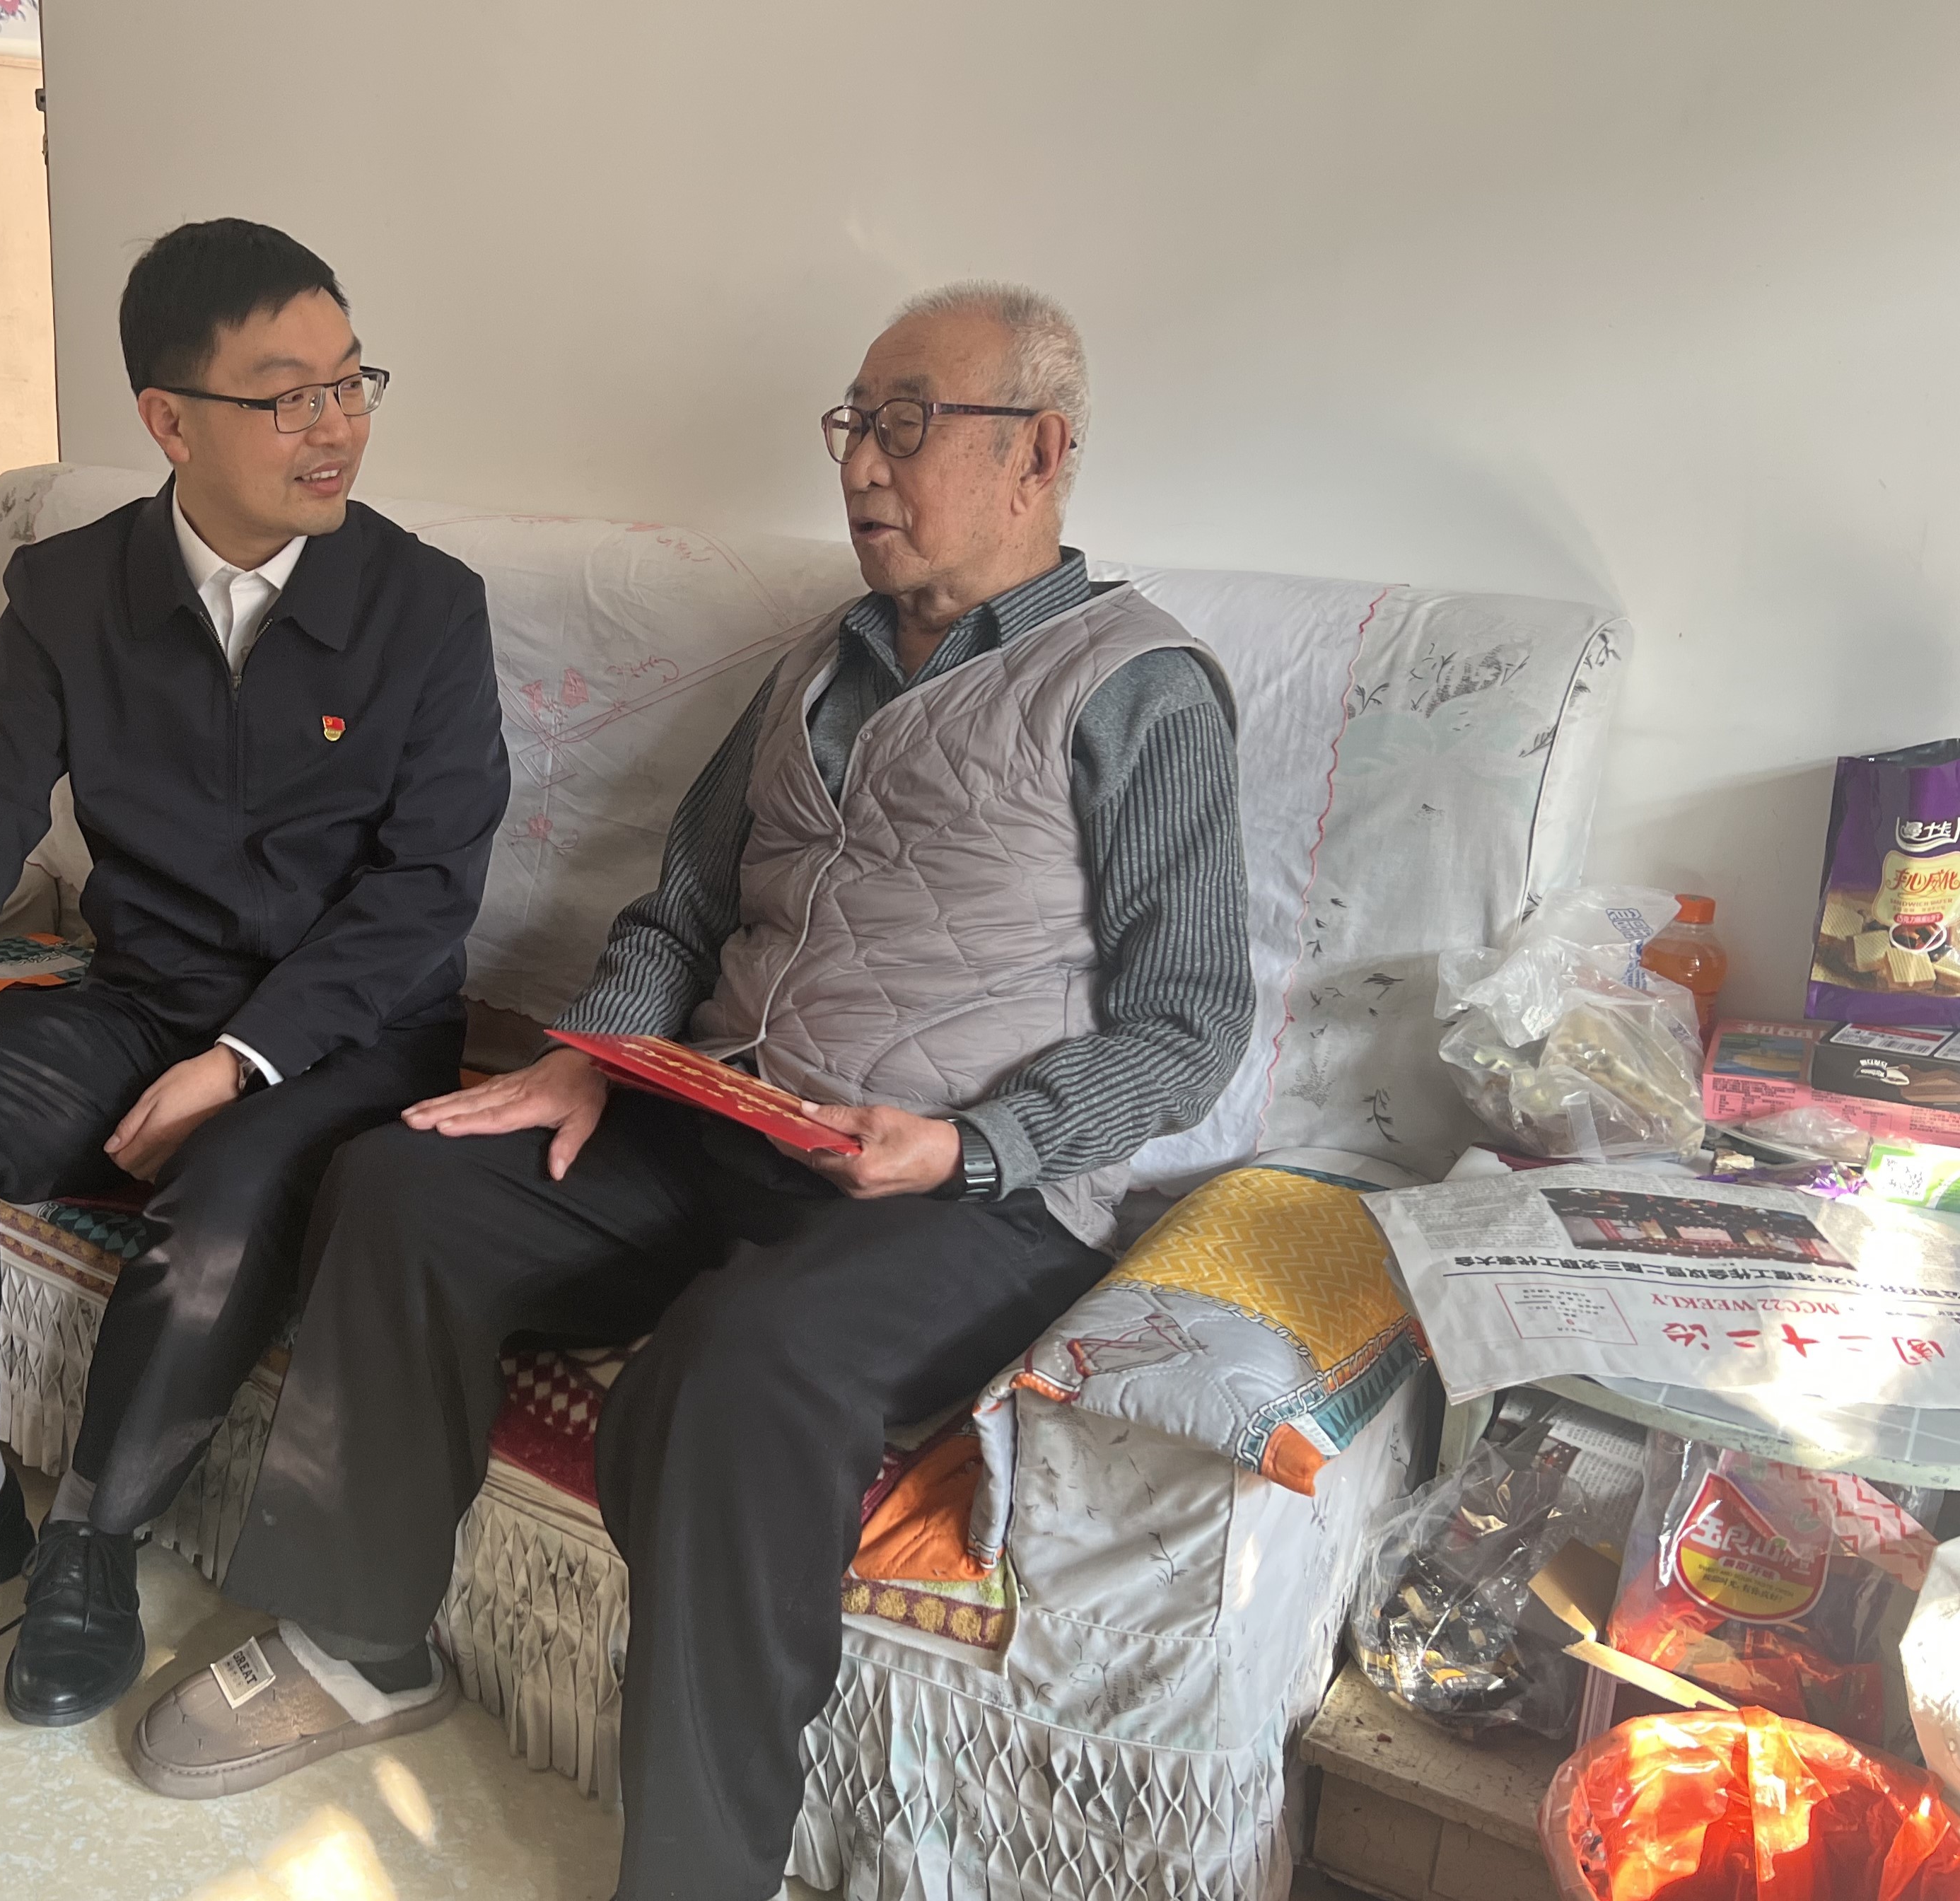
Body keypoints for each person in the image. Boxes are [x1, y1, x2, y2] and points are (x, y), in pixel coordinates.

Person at [124, 284, 1257, 1897]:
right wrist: (590, 1059)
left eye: (909, 424)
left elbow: (1190, 1024)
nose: (861, 464)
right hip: (721, 1118)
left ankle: (701, 1869)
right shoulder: (815, 665)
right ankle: (362, 1643)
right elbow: (679, 912)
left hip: (967, 1200)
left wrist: (975, 1143)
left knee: (741, 1366)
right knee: (403, 1179)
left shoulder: (1139, 688)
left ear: (1042, 451)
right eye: (854, 425)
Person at [0, 219, 510, 1731]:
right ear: (169, 419)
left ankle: (92, 1538)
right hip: (142, 997)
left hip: (344, 1039)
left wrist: (241, 1064)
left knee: (221, 1208)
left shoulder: (424, 608)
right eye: (287, 395)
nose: (335, 427)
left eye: (351, 383)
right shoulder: (68, 593)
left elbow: (428, 893)